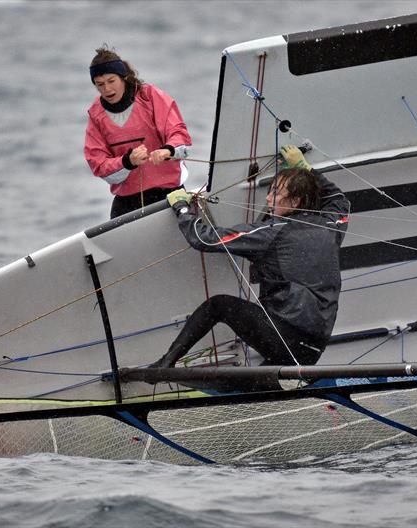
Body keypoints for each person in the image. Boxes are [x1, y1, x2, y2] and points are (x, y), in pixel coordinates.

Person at [150, 145, 350, 368]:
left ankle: (165, 364)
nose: (268, 197)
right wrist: (305, 168)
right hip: (314, 348)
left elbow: (203, 239)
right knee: (270, 368)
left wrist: (182, 208)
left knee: (218, 305)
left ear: (294, 203)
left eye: (276, 193)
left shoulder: (272, 232)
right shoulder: (332, 224)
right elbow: (339, 199)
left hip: (285, 341)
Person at [84, 46, 193, 219]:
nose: (106, 89)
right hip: (128, 201)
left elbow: (180, 134)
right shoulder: (96, 115)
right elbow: (99, 165)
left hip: (169, 194)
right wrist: (127, 161)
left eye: (111, 81)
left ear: (123, 77)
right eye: (100, 84)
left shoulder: (150, 97)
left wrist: (168, 150)